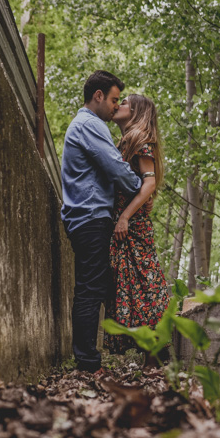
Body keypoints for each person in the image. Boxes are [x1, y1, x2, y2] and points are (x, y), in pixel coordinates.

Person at [61, 71, 143, 374]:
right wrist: (141, 185)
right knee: (90, 289)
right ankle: (87, 363)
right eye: (113, 99)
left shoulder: (84, 124)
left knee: (98, 286)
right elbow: (117, 169)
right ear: (98, 96)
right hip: (90, 218)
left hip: (88, 217)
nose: (115, 106)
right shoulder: (89, 124)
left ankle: (97, 357)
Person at [104, 94, 171, 364]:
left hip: (134, 226)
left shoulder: (141, 140)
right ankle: (151, 354)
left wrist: (125, 218)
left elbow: (149, 185)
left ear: (136, 112)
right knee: (131, 287)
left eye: (123, 103)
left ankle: (156, 353)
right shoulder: (127, 141)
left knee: (145, 284)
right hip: (125, 226)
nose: (117, 105)